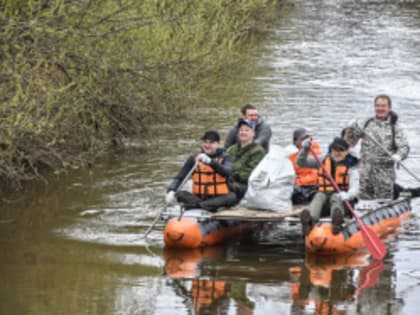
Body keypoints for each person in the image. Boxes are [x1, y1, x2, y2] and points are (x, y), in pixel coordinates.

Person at [350, 94, 409, 200]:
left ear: (389, 108)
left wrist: (399, 156)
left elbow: (404, 147)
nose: (380, 109)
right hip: (365, 173)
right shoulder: (366, 123)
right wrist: (351, 128)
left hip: (384, 175)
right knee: (364, 203)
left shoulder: (394, 127)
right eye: (377, 106)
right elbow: (351, 142)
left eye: (383, 106)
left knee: (384, 203)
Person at [297, 137, 359, 235]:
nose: (338, 152)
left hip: (343, 202)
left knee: (336, 197)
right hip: (325, 203)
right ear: (331, 150)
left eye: (341, 150)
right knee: (319, 195)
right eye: (335, 149)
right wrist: (305, 149)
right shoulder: (322, 161)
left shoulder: (351, 167)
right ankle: (309, 220)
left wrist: (348, 195)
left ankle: (337, 221)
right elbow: (301, 162)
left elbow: (355, 188)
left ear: (347, 152)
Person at [165, 130, 237, 212]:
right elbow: (180, 177)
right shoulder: (194, 158)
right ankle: (202, 205)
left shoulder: (226, 157)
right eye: (205, 142)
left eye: (211, 143)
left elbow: (227, 172)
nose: (207, 145)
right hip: (199, 198)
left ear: (218, 144)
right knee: (180, 194)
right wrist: (171, 190)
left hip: (218, 198)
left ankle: (191, 207)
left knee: (232, 197)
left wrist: (211, 162)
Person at [226, 119, 265, 201]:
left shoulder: (258, 151)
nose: (243, 132)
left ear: (253, 134)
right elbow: (224, 163)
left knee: (227, 186)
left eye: (247, 130)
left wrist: (233, 175)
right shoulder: (232, 149)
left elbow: (251, 173)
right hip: (230, 180)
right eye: (241, 130)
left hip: (247, 185)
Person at [289, 128, 322, 204]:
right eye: (302, 139)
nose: (305, 140)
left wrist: (296, 182)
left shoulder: (315, 153)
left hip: (311, 186)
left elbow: (314, 177)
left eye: (306, 138)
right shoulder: (293, 155)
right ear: (295, 141)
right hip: (300, 183)